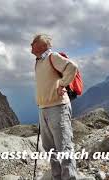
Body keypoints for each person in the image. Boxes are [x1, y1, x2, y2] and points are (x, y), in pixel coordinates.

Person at [31, 33, 78, 180]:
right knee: (50, 148)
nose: (30, 45)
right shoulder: (39, 61)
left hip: (58, 107)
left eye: (33, 42)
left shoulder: (52, 56)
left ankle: (69, 178)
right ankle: (57, 177)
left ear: (42, 45)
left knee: (64, 147)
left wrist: (62, 84)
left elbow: (72, 67)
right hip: (44, 108)